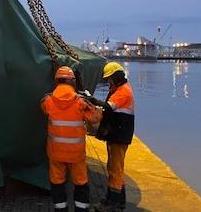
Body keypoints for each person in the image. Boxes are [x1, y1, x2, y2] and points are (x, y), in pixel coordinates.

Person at [40, 66, 102, 212]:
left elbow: (43, 107)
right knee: (80, 183)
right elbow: (96, 117)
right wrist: (89, 99)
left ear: (57, 81)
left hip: (56, 153)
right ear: (73, 81)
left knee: (57, 183)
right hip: (76, 154)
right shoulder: (81, 102)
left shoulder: (48, 101)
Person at [86, 62, 135, 212]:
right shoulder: (118, 89)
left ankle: (113, 204)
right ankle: (116, 201)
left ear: (117, 77)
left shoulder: (123, 92)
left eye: (109, 78)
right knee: (115, 168)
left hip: (119, 136)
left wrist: (91, 100)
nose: (108, 81)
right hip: (117, 134)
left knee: (115, 169)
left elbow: (108, 107)